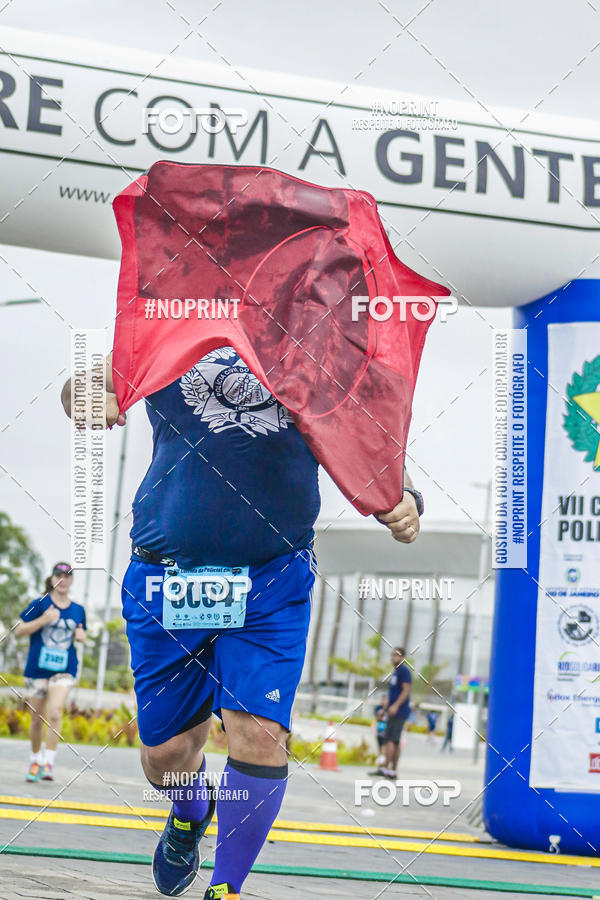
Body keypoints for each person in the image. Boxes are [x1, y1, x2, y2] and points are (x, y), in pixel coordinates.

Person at [62, 349, 423, 899]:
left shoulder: (314, 345)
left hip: (272, 581)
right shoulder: (171, 324)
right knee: (166, 757)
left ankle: (225, 889)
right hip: (168, 578)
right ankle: (189, 811)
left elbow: (366, 435)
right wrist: (90, 398)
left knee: (258, 735)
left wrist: (405, 496)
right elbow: (80, 388)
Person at [15, 562, 86, 782]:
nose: (63, 580)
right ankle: (35, 760)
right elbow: (18, 631)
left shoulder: (78, 610)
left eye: (67, 576)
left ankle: (48, 763)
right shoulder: (38, 604)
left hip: (63, 670)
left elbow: (81, 633)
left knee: (55, 713)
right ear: (53, 578)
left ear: (72, 580)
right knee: (37, 719)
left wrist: (80, 636)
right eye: (58, 575)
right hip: (37, 670)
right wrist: (44, 620)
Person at [372, 647, 412, 779]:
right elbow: (391, 694)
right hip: (392, 711)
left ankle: (388, 769)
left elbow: (406, 691)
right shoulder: (396, 672)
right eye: (392, 655)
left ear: (403, 658)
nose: (392, 658)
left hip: (399, 711)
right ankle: (389, 770)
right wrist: (383, 710)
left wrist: (395, 706)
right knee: (393, 740)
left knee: (390, 739)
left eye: (396, 655)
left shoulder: (404, 671)